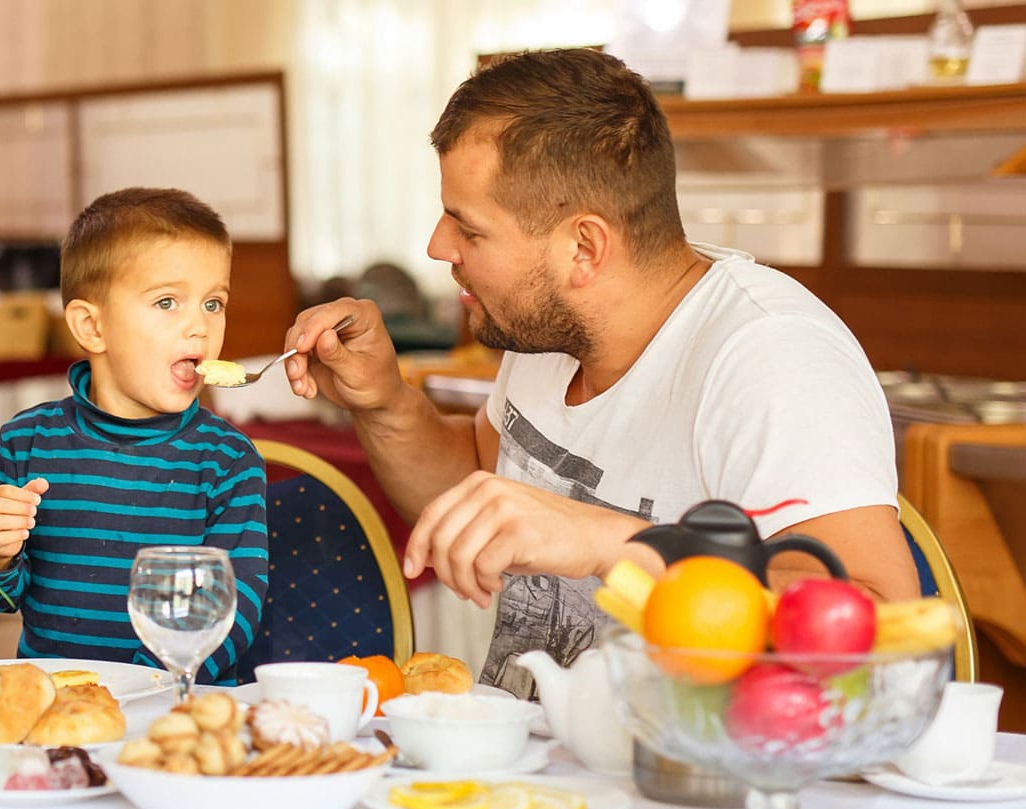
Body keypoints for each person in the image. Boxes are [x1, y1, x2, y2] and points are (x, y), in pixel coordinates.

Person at [282, 49, 919, 698]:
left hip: (690, 759)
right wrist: (384, 403)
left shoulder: (772, 357)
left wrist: (615, 543)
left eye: (468, 229)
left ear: (583, 247)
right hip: (532, 753)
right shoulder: (549, 325)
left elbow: (880, 634)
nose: (437, 246)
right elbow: (476, 494)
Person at [0, 187, 267, 684]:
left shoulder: (228, 460)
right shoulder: (26, 441)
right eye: (168, 301)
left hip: (175, 705)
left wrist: (144, 686)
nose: (200, 326)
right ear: (92, 327)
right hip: (58, 703)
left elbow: (234, 606)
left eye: (213, 303)